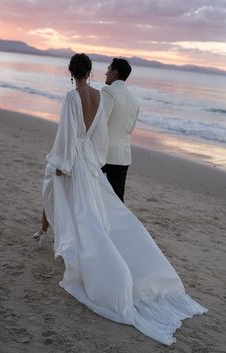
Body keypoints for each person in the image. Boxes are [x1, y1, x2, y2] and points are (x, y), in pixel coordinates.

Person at [38, 53, 207, 345]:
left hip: (74, 157)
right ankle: (48, 236)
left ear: (71, 72)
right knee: (92, 209)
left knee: (69, 201)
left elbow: (65, 134)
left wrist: (62, 163)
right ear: (89, 72)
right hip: (91, 158)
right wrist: (94, 160)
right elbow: (100, 135)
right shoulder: (99, 97)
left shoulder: (71, 97)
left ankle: (51, 238)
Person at [101, 58, 140, 202]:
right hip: (123, 155)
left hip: (103, 152)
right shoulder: (135, 100)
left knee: (87, 191)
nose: (106, 73)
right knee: (117, 200)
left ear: (115, 72)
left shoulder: (109, 91)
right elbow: (129, 129)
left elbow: (100, 122)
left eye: (108, 69)